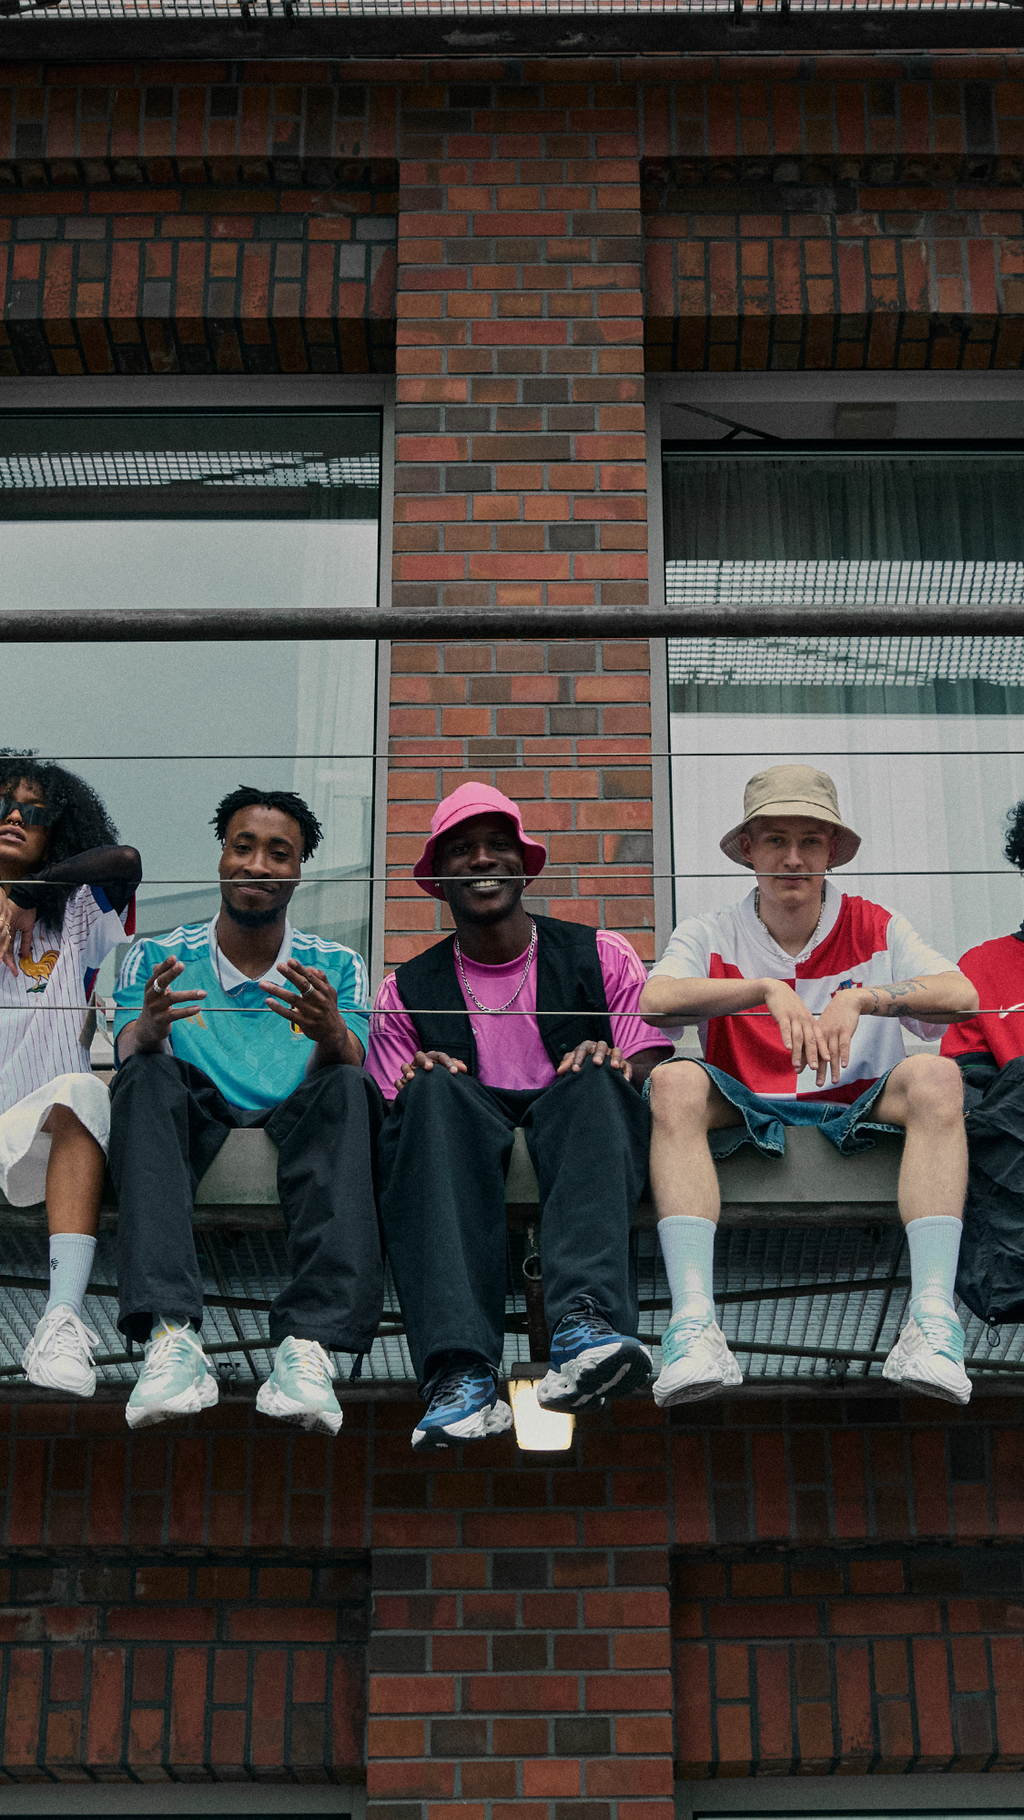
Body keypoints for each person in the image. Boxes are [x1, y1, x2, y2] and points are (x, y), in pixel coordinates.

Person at [639, 765, 979, 1409]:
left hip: (856, 1102)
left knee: (937, 1073)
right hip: (745, 1107)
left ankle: (933, 1321)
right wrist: (766, 990)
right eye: (774, 840)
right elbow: (655, 1001)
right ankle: (693, 1326)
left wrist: (865, 1000)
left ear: (830, 850)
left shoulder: (874, 923)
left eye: (810, 841)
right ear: (748, 850)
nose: (793, 858)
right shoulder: (711, 928)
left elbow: (961, 996)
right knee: (674, 1080)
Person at [366, 782, 673, 1452]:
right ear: (439, 878)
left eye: (497, 846)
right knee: (430, 1093)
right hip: (462, 1139)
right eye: (463, 851)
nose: (481, 860)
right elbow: (391, 1115)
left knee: (600, 1074)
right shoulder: (403, 992)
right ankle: (460, 1376)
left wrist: (617, 1059)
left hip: (580, 1127)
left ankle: (586, 1329)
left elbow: (651, 1061)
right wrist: (418, 1080)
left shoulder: (603, 954)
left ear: (523, 864)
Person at [110, 786, 384, 1435]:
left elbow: (350, 1059)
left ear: (297, 871)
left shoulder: (336, 965)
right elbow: (127, 1053)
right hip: (193, 1108)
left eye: (277, 853)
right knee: (144, 1078)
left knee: (351, 1087)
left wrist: (328, 1032)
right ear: (221, 856)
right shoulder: (158, 956)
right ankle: (172, 1338)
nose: (257, 865)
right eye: (243, 846)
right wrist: (147, 1026)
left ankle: (308, 1347)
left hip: (298, 1112)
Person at [0, 754, 140, 1398]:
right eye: (3, 803)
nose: (15, 816)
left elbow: (126, 860)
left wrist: (32, 892)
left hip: (39, 1124)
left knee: (86, 1089)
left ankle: (60, 1320)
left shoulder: (79, 910)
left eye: (36, 810)